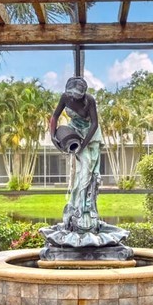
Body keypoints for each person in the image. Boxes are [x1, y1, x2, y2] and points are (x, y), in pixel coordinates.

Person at [49, 77, 102, 233]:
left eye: (76, 95)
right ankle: (76, 205)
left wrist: (84, 144)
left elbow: (94, 123)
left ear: (83, 94)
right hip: (74, 131)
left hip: (90, 136)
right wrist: (53, 136)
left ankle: (85, 206)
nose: (73, 98)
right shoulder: (65, 97)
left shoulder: (89, 100)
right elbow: (55, 116)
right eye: (71, 94)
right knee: (82, 170)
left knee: (89, 170)